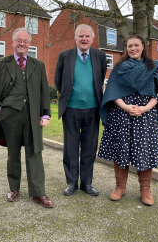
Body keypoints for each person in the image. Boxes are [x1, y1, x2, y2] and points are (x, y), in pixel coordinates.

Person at [0, 27, 54, 208]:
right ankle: (14, 188)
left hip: (33, 116)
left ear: (29, 44)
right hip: (10, 116)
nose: (22, 44)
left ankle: (38, 193)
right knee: (13, 154)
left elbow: (44, 91)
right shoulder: (1, 63)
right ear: (13, 42)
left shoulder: (39, 64)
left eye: (25, 41)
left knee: (35, 153)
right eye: (19, 40)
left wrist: (45, 113)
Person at [98, 34, 158, 206]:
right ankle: (119, 187)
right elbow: (112, 92)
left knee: (144, 150)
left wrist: (144, 108)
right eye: (130, 46)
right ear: (126, 48)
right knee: (121, 149)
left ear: (143, 46)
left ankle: (145, 190)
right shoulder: (119, 68)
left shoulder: (153, 67)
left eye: (136, 45)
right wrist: (126, 107)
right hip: (122, 114)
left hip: (146, 116)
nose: (133, 49)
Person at [54, 24, 107, 196]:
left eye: (87, 36)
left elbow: (101, 77)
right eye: (80, 36)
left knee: (89, 148)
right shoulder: (65, 56)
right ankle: (71, 183)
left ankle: (86, 183)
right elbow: (58, 80)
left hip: (93, 109)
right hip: (71, 109)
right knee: (70, 148)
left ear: (92, 39)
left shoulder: (100, 56)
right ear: (75, 38)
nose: (84, 39)